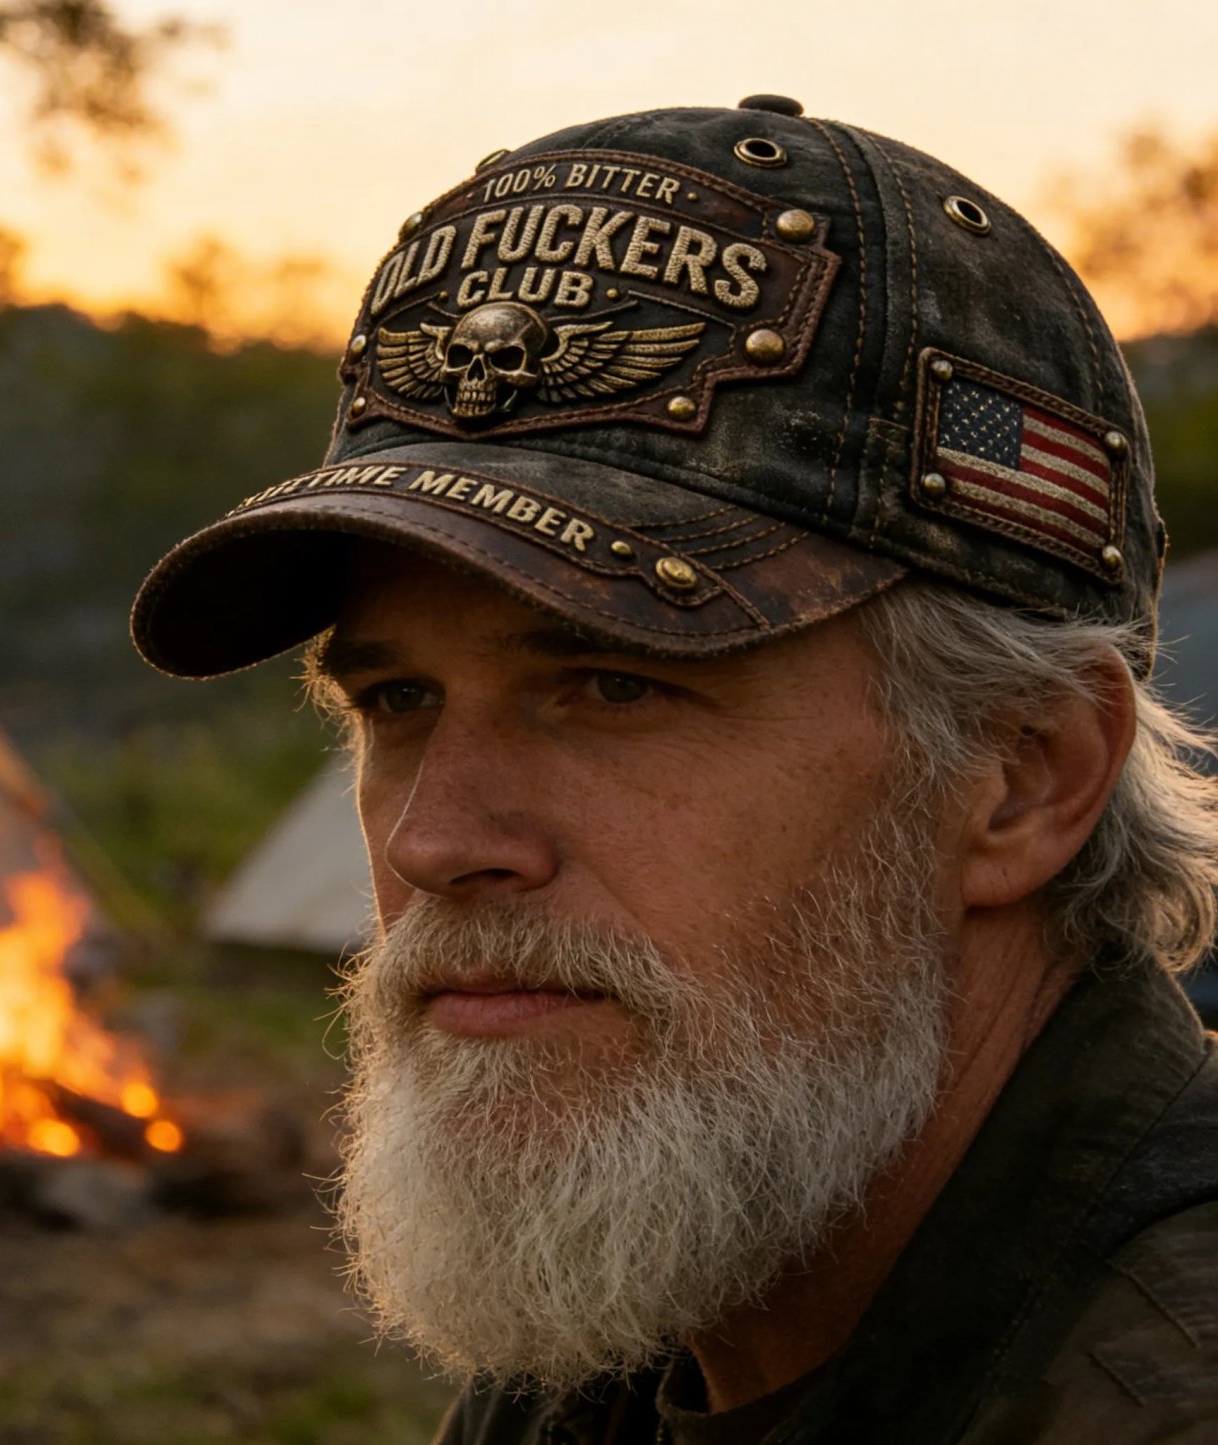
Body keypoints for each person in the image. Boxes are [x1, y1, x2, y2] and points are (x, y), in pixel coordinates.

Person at [131, 98, 1218, 1442]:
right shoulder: (630, 1329)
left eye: (614, 681)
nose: (432, 839)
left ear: (1020, 777)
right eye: (397, 698)